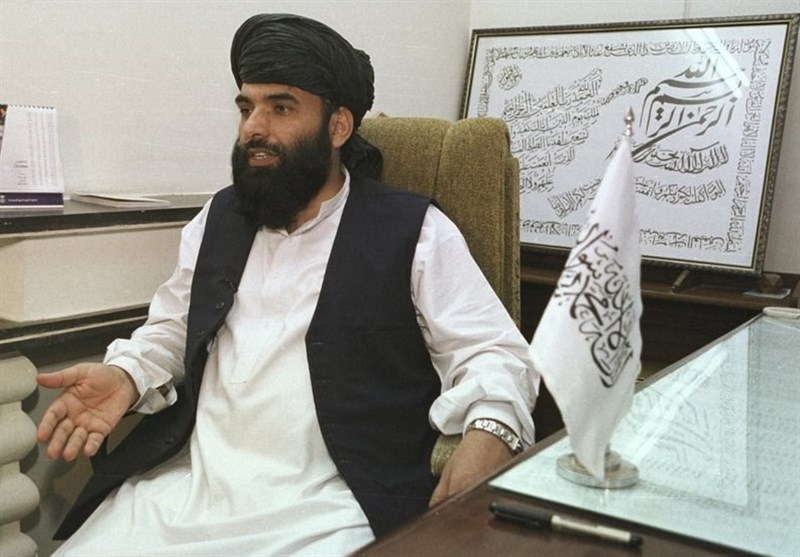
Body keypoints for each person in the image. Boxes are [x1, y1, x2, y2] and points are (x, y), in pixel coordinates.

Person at [37, 13, 539, 556]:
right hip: (185, 489)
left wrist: (491, 431)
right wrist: (126, 375)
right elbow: (173, 331)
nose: (254, 127)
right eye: (246, 108)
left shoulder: (413, 230)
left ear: (338, 126)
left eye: (281, 108)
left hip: (333, 506)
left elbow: (492, 352)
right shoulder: (218, 218)